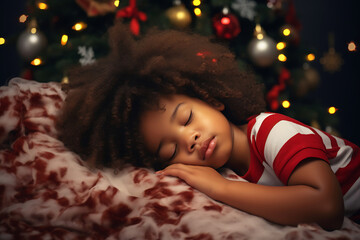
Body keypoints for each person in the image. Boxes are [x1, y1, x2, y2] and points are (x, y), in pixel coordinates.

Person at [57, 21, 360, 231]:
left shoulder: (273, 131)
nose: (189, 139)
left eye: (186, 118)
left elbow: (327, 207)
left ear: (212, 99)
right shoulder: (227, 168)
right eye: (170, 148)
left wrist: (221, 188)